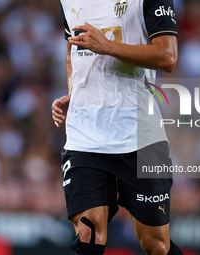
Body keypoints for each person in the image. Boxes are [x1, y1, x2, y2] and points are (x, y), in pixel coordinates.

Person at [52, 0, 181, 254]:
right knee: (87, 234)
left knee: (156, 245)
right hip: (85, 136)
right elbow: (73, 49)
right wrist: (74, 93)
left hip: (140, 136)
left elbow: (168, 55)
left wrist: (107, 46)